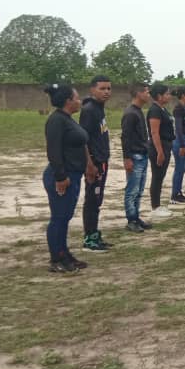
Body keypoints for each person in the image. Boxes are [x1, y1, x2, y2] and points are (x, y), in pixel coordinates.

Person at [42, 83, 94, 273]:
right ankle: (56, 258)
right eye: (77, 98)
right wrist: (61, 177)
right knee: (59, 217)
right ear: (68, 101)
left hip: (73, 174)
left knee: (65, 216)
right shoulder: (56, 120)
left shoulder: (67, 119)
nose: (80, 101)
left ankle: (64, 253)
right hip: (62, 176)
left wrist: (88, 165)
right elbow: (53, 151)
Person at [79, 75, 112, 252]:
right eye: (102, 88)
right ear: (93, 89)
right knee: (92, 200)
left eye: (108, 88)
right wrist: (89, 165)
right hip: (95, 162)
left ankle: (94, 233)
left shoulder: (99, 108)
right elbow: (83, 140)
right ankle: (89, 239)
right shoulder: (89, 110)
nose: (106, 92)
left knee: (97, 200)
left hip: (102, 160)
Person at [121, 83, 153, 233]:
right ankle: (131, 219)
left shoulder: (138, 111)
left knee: (139, 190)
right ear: (138, 93)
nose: (148, 95)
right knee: (132, 190)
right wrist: (127, 158)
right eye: (146, 92)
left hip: (142, 155)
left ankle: (136, 216)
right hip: (134, 156)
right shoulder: (130, 113)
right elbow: (125, 137)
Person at [147, 83, 175, 218]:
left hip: (166, 144)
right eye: (167, 94)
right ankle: (155, 206)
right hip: (159, 146)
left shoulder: (162, 109)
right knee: (157, 176)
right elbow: (154, 132)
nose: (169, 96)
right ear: (159, 96)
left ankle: (157, 204)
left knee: (161, 175)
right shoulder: (155, 110)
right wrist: (159, 151)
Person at [170, 86, 185, 205]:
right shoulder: (178, 108)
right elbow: (178, 128)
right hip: (181, 140)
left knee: (182, 168)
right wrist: (182, 145)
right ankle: (175, 194)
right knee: (179, 168)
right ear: (184, 95)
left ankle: (178, 191)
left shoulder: (184, 107)